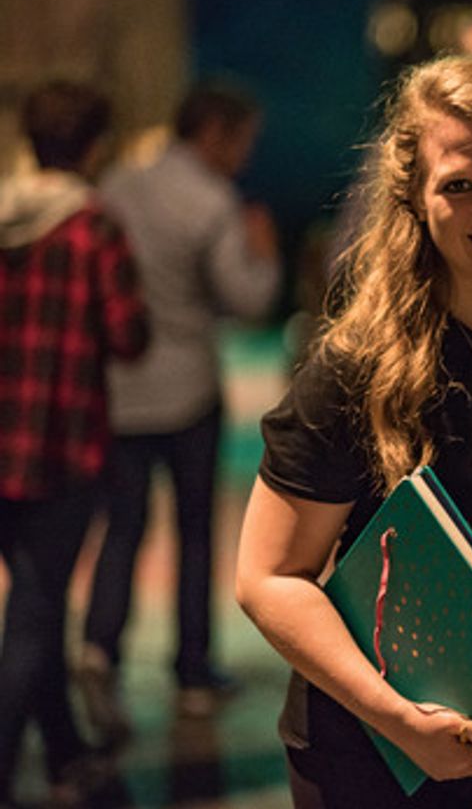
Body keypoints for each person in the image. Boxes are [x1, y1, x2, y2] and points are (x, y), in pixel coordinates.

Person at [235, 53, 472, 808]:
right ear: (413, 199)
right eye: (460, 187)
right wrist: (401, 722)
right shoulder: (358, 368)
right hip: (377, 755)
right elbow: (268, 578)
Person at [76, 81, 282, 739]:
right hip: (189, 389)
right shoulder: (213, 201)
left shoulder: (117, 186)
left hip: (119, 388)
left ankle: (99, 648)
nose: (246, 157)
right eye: (243, 141)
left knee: (123, 526)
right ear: (216, 133)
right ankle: (191, 670)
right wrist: (265, 251)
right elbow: (247, 301)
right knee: (195, 532)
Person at [0, 81, 149, 807]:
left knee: (39, 607)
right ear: (93, 146)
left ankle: (63, 755)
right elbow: (129, 337)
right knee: (34, 611)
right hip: (59, 449)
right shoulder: (93, 227)